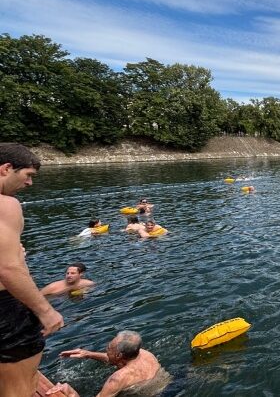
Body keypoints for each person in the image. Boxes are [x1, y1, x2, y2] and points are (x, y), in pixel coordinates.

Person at [0, 143, 64, 397]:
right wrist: (45, 311)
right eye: (28, 175)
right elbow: (7, 268)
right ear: (6, 168)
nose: (29, 183)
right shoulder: (7, 204)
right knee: (20, 387)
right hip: (5, 309)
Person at [47, 330, 171, 397]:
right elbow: (114, 359)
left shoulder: (117, 379)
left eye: (109, 348)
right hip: (166, 387)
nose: (106, 349)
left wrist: (71, 393)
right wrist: (87, 354)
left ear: (119, 355)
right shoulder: (144, 354)